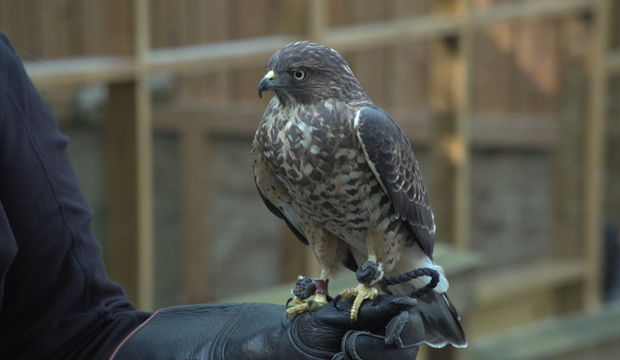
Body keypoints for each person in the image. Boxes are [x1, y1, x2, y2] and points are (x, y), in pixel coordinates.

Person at [0, 33, 426, 360]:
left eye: (294, 75)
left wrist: (238, 348)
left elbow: (77, 330)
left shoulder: (365, 125)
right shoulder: (270, 137)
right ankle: (322, 286)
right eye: (273, 73)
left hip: (391, 251)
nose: (270, 82)